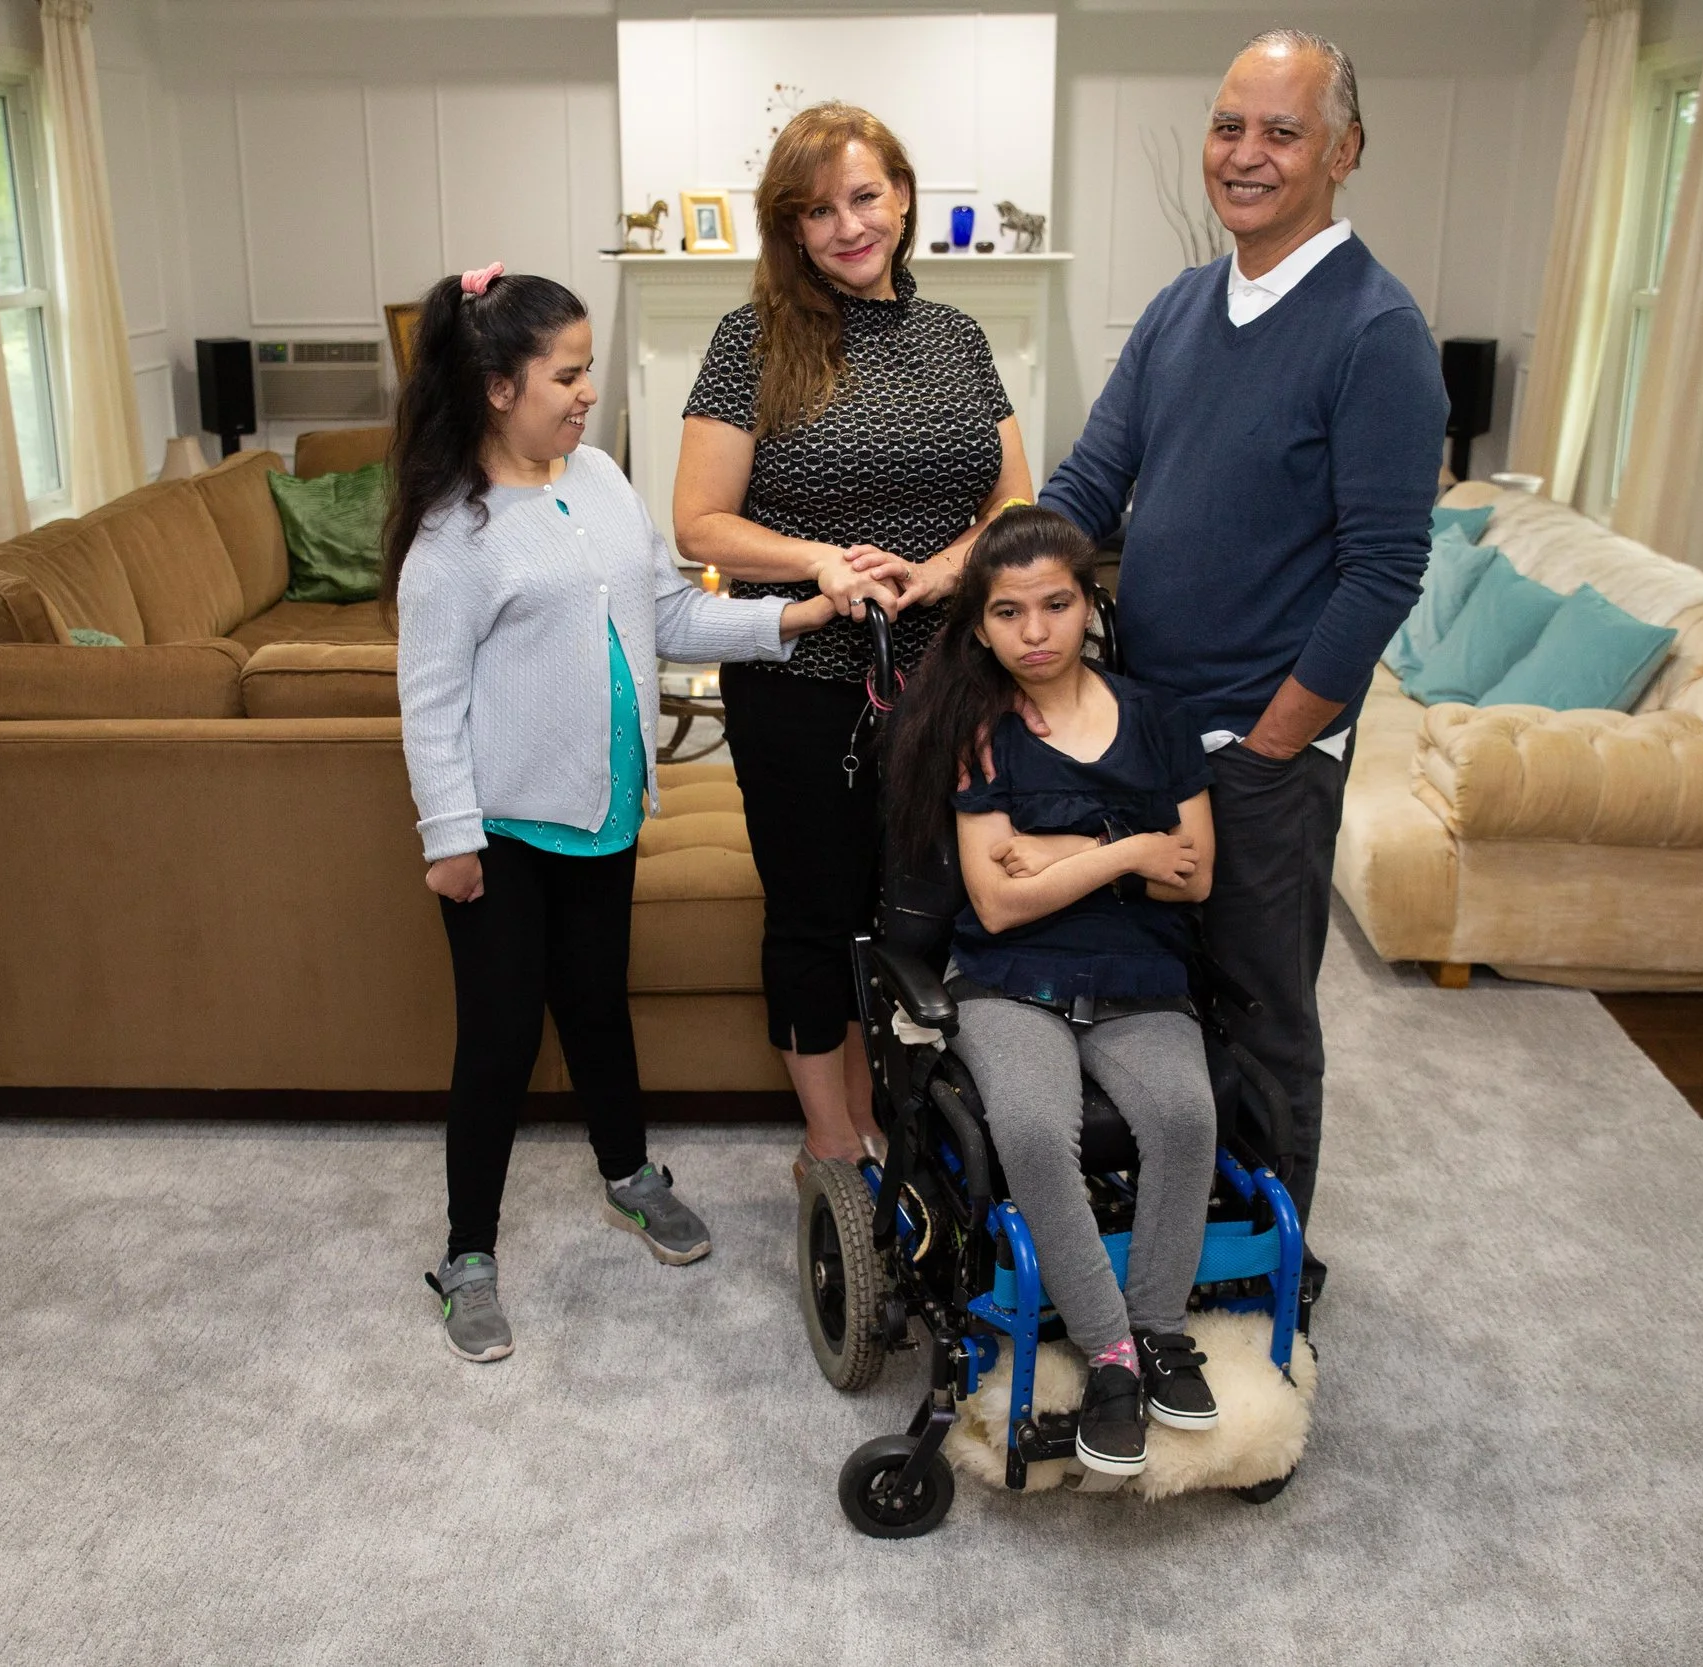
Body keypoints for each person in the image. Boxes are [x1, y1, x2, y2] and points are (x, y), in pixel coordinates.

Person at [394, 264, 873, 1364]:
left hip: (604, 812)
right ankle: (468, 1252)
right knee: (503, 1039)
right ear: (497, 386)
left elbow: (665, 611)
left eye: (585, 368)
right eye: (565, 374)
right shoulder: (452, 535)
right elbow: (427, 703)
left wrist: (796, 613)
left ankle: (629, 1176)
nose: (583, 390)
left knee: (599, 1005)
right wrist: (449, 840)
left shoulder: (600, 476)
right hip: (504, 831)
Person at [1036, 31, 1449, 1300]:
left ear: (1343, 152)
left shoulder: (1376, 332)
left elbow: (1383, 569)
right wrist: (994, 579)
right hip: (1145, 732)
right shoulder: (1179, 305)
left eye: (1279, 132)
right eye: (1229, 127)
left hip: (1261, 752)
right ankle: (1177, 1231)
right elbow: (1091, 480)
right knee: (1164, 1002)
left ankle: (1268, 1273)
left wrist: (1275, 737)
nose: (1247, 155)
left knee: (1264, 1018)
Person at [673, 102, 1035, 1177]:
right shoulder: (752, 340)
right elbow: (699, 521)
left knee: (931, 901)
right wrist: (823, 562)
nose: (845, 225)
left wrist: (940, 571)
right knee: (814, 910)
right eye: (815, 209)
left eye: (863, 197)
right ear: (788, 228)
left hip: (952, 683)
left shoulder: (958, 339)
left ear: (904, 196)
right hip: (802, 686)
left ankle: (912, 1104)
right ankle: (829, 1136)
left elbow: (1016, 507)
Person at [884, 507, 1222, 1479]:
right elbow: (997, 896)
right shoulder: (975, 731)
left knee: (1186, 1116)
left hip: (1140, 974)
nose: (1034, 631)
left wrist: (1061, 854)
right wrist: (1124, 847)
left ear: (1088, 603)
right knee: (1032, 1131)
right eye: (1006, 611)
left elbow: (1192, 875)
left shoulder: (1154, 717)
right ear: (979, 625)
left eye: (1055, 604)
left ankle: (1159, 1331)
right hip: (1007, 980)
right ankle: (1111, 1356)